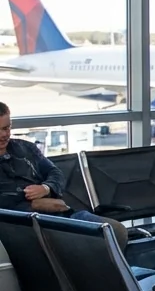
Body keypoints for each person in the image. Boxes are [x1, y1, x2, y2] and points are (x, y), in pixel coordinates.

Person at [0, 102, 128, 248]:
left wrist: (46, 188)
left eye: (6, 128)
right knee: (87, 244)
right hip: (26, 226)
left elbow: (56, 173)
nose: (4, 135)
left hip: (62, 216)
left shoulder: (25, 148)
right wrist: (35, 205)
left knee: (116, 232)